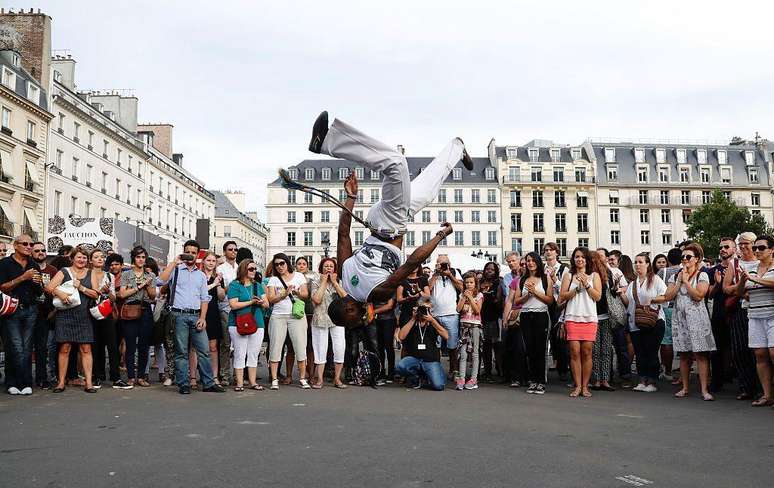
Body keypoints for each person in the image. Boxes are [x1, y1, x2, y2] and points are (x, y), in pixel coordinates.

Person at [310, 112, 470, 329]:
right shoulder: (345, 277)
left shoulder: (376, 293)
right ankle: (457, 148)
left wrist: (441, 235)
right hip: (385, 221)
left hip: (390, 225)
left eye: (359, 317)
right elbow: (343, 234)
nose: (366, 317)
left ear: (349, 308)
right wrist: (351, 197)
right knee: (427, 191)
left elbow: (413, 262)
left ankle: (328, 142)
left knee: (396, 163)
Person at [158, 240, 226, 394]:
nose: (190, 255)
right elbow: (160, 281)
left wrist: (202, 318)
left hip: (196, 315)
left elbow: (204, 298)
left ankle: (208, 383)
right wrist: (174, 263)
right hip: (178, 314)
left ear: (197, 255)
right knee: (181, 351)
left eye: (193, 253)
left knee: (204, 350)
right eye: (187, 251)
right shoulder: (175, 270)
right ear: (183, 252)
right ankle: (183, 384)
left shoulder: (201, 276)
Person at [653, 243, 715, 401]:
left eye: (688, 257)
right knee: (684, 354)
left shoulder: (702, 275)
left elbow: (699, 295)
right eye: (683, 257)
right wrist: (680, 280)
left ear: (697, 259)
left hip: (698, 319)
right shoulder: (676, 276)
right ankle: (685, 387)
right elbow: (668, 296)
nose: (685, 260)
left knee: (701, 354)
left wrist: (687, 282)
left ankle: (704, 389)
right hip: (680, 318)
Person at [45, 247, 99, 393]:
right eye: (79, 257)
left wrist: (81, 287)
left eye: (84, 258)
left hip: (84, 316)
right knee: (64, 348)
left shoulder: (91, 273)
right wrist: (60, 294)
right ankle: (61, 382)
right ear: (72, 258)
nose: (81, 260)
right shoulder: (64, 271)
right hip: (65, 315)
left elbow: (95, 294)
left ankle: (88, 383)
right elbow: (49, 287)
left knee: (86, 349)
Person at [0, 234, 43, 395]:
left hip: (31, 308)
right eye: (25, 243)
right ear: (16, 245)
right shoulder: (5, 264)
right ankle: (12, 382)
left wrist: (37, 283)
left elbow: (39, 292)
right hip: (12, 309)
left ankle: (25, 382)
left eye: (31, 244)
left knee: (26, 348)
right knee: (15, 347)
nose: (29, 246)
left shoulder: (34, 264)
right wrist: (23, 278)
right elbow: (3, 287)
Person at [735, 235, 774, 407]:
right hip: (755, 315)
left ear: (772, 250)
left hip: (772, 315)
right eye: (755, 248)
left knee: (773, 353)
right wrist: (742, 282)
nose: (757, 250)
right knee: (760, 354)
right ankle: (767, 395)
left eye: (761, 248)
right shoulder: (751, 269)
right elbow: (741, 293)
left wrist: (754, 279)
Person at [619, 253, 666, 392]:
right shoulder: (633, 283)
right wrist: (621, 293)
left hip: (654, 321)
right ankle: (642, 379)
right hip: (636, 322)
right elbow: (628, 303)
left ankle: (652, 381)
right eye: (636, 262)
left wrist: (651, 300)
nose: (637, 264)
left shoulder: (655, 280)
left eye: (640, 262)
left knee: (651, 351)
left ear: (647, 264)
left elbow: (665, 296)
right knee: (639, 352)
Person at [722, 232, 761, 400]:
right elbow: (726, 288)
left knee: (759, 351)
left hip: (760, 307)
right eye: (741, 243)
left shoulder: (763, 261)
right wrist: (741, 287)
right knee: (740, 348)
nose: (744, 246)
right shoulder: (734, 263)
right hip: (740, 309)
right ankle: (746, 386)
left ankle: (762, 387)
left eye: (747, 243)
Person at [559, 247, 602, 398]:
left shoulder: (594, 275)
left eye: (582, 257)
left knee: (587, 351)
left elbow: (597, 297)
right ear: (573, 259)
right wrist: (577, 289)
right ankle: (577, 386)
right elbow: (561, 298)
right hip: (572, 316)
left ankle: (585, 386)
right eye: (577, 257)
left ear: (587, 259)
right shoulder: (568, 275)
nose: (579, 259)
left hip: (589, 317)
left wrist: (587, 284)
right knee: (575, 352)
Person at [510, 252, 553, 394]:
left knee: (541, 349)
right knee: (529, 349)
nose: (530, 263)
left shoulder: (545, 278)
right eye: (528, 261)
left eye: (533, 260)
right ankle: (533, 380)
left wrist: (535, 292)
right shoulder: (522, 279)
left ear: (538, 262)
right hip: (526, 315)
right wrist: (527, 295)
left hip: (541, 315)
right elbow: (516, 301)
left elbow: (550, 300)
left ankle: (541, 381)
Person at [265, 253, 310, 390]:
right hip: (278, 315)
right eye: (276, 264)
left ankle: (302, 378)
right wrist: (283, 294)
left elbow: (305, 295)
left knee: (300, 346)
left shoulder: (299, 276)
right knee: (275, 347)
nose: (279, 266)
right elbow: (271, 299)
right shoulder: (273, 279)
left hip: (296, 315)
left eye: (282, 263)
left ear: (287, 263)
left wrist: (295, 292)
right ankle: (274, 378)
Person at [117, 246, 156, 388]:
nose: (140, 260)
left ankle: (141, 376)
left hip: (145, 310)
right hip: (130, 310)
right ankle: (131, 377)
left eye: (143, 257)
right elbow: (122, 294)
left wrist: (147, 286)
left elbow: (153, 296)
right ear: (134, 258)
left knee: (144, 346)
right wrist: (139, 287)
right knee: (130, 345)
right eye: (138, 257)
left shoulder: (150, 275)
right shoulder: (126, 274)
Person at [227, 259, 268, 391]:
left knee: (254, 353)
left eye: (255, 269)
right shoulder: (235, 285)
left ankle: (253, 381)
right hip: (238, 322)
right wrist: (251, 302)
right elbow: (233, 305)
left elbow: (267, 304)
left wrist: (261, 302)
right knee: (240, 352)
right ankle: (239, 382)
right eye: (251, 269)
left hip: (257, 322)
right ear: (244, 269)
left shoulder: (257, 285)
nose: (254, 271)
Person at [395, 298, 450, 391]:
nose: (425, 311)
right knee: (400, 366)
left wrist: (432, 321)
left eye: (428, 309)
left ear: (432, 310)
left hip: (430, 359)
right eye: (423, 308)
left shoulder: (434, 321)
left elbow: (446, 336)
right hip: (414, 358)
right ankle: (416, 377)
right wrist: (413, 319)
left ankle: (428, 374)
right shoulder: (412, 321)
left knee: (439, 386)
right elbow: (401, 337)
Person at [310, 257, 348, 388]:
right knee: (320, 348)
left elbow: (345, 298)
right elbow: (317, 299)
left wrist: (335, 283)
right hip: (320, 318)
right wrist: (323, 283)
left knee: (339, 348)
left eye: (331, 266)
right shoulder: (315, 282)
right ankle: (319, 379)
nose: (328, 269)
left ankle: (337, 379)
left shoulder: (339, 282)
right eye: (326, 266)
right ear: (321, 269)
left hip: (337, 319)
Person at [589, 250, 623, 392]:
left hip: (607, 315)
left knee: (606, 349)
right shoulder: (589, 275)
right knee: (596, 350)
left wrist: (615, 287)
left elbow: (612, 294)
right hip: (593, 316)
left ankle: (605, 379)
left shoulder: (607, 274)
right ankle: (597, 380)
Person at [706, 237, 737, 393]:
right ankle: (716, 381)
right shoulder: (713, 270)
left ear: (734, 249)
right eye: (721, 247)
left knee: (739, 347)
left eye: (727, 246)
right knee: (716, 348)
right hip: (719, 312)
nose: (723, 249)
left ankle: (742, 380)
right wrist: (718, 284)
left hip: (737, 311)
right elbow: (709, 295)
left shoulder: (739, 267)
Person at [87, 249, 121, 389]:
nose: (100, 259)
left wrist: (108, 292)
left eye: (102, 257)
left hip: (106, 311)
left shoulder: (109, 276)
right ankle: (97, 376)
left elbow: (114, 298)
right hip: (90, 312)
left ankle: (116, 377)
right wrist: (99, 291)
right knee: (95, 345)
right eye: (96, 257)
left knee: (112, 345)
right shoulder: (87, 274)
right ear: (91, 260)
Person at [429, 255, 463, 378]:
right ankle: (436, 370)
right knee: (435, 345)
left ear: (449, 264)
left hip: (451, 314)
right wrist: (435, 274)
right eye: (440, 263)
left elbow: (462, 287)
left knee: (453, 344)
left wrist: (449, 275)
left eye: (445, 263)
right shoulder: (433, 275)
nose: (442, 266)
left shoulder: (455, 273)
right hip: (435, 314)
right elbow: (428, 289)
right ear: (436, 264)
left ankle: (454, 370)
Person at [195, 252, 224, 385]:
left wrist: (218, 284)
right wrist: (213, 284)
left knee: (213, 347)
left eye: (214, 261)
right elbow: (199, 292)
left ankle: (214, 376)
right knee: (196, 347)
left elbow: (222, 297)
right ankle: (194, 377)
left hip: (213, 312)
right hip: (198, 311)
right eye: (209, 260)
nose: (211, 263)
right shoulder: (197, 276)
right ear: (203, 262)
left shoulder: (217, 277)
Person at [31, 242, 57, 389]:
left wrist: (54, 311)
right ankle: (24, 378)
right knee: (24, 347)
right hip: (27, 312)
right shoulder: (27, 268)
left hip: (44, 315)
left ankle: (42, 378)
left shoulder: (53, 270)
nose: (41, 252)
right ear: (31, 253)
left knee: (42, 348)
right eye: (37, 250)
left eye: (43, 250)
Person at [543, 242, 569, 383]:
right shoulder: (542, 268)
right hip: (546, 304)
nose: (548, 252)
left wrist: (555, 280)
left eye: (551, 250)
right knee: (548, 336)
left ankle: (563, 369)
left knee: (560, 338)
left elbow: (565, 290)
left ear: (557, 252)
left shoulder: (563, 269)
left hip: (559, 305)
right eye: (546, 250)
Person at [502, 252, 527, 388]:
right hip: (515, 316)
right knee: (516, 348)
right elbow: (509, 301)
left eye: (524, 264)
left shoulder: (537, 278)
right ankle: (516, 377)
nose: (522, 266)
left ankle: (529, 377)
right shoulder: (513, 280)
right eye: (509, 261)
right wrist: (505, 318)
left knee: (527, 348)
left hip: (531, 315)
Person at [455, 271, 483, 390]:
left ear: (475, 283)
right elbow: (458, 309)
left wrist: (471, 297)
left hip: (475, 326)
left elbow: (477, 310)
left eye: (471, 282)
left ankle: (473, 379)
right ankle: (461, 378)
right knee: (463, 353)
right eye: (466, 282)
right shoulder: (462, 295)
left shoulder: (479, 295)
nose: (469, 285)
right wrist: (464, 298)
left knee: (475, 353)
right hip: (464, 326)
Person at [291, 256, 316, 383]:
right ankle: (300, 372)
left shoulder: (311, 280)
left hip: (309, 312)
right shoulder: (292, 278)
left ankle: (311, 373)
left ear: (307, 266)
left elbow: (310, 296)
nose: (301, 266)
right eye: (299, 263)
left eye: (304, 264)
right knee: (297, 345)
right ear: (295, 266)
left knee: (310, 346)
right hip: (295, 313)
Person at [216, 240, 238, 386]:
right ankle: (224, 374)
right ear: (225, 252)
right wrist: (233, 286)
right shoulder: (220, 269)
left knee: (239, 344)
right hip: (225, 308)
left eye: (236, 249)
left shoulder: (241, 267)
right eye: (230, 249)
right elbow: (221, 294)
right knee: (225, 343)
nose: (234, 252)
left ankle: (238, 374)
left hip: (240, 308)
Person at [658, 248, 682, 383]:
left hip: (667, 307)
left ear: (668, 259)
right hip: (681, 307)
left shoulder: (663, 271)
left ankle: (667, 370)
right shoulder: (683, 271)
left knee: (666, 341)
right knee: (682, 339)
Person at [479, 261, 503, 382]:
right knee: (486, 346)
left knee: (496, 345)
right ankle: (487, 371)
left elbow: (499, 301)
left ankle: (500, 370)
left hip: (494, 317)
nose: (489, 271)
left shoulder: (498, 283)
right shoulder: (480, 283)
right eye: (487, 269)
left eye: (492, 269)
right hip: (482, 317)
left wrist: (490, 296)